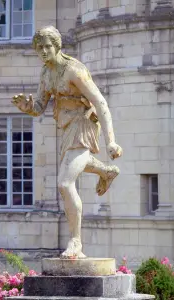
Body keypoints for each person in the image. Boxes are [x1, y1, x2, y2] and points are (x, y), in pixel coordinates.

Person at [12, 26, 123, 258]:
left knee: (65, 183)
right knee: (76, 163)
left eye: (47, 46)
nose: (43, 51)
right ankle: (106, 171)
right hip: (67, 125)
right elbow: (40, 107)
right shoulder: (46, 72)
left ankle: (76, 242)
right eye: (39, 47)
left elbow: (100, 102)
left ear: (57, 46)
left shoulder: (74, 70)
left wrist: (111, 141)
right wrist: (27, 107)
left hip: (84, 123)